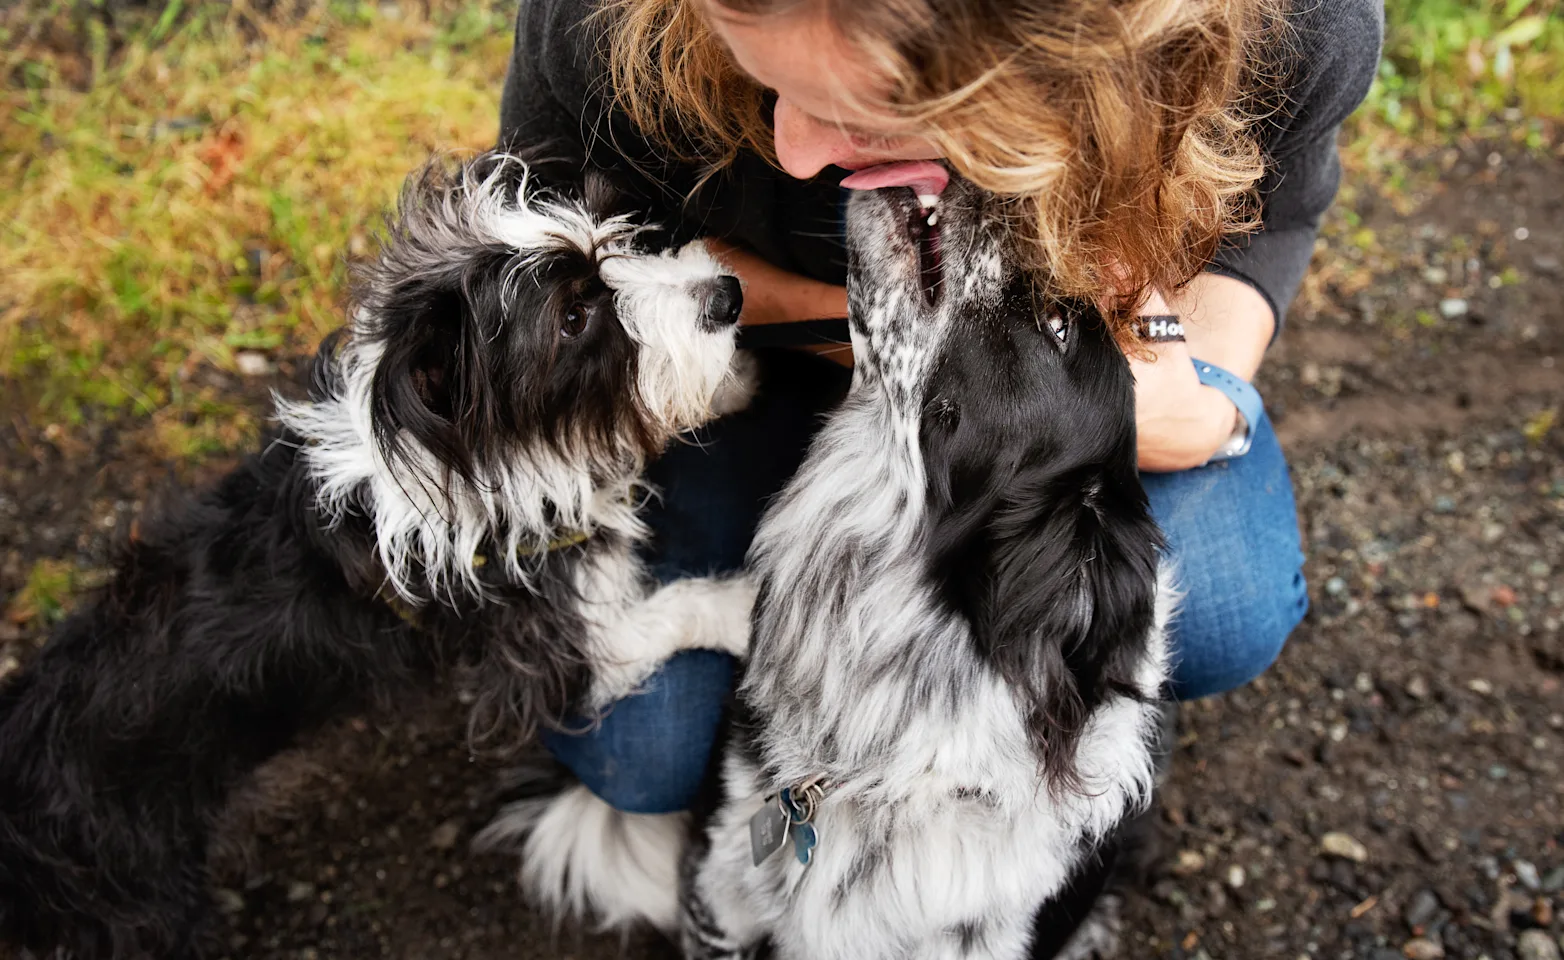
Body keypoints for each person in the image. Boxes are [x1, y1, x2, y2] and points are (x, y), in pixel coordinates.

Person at [498, 0, 1383, 815]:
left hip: (1056, 388)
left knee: (1218, 612)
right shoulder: (604, 18)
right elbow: (556, 276)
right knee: (647, 753)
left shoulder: (1297, 21)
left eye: (862, 111)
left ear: (1065, 65)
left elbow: (1272, 216)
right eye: (766, 79)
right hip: (737, 372)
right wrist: (902, 344)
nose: (796, 150)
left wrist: (1201, 403)